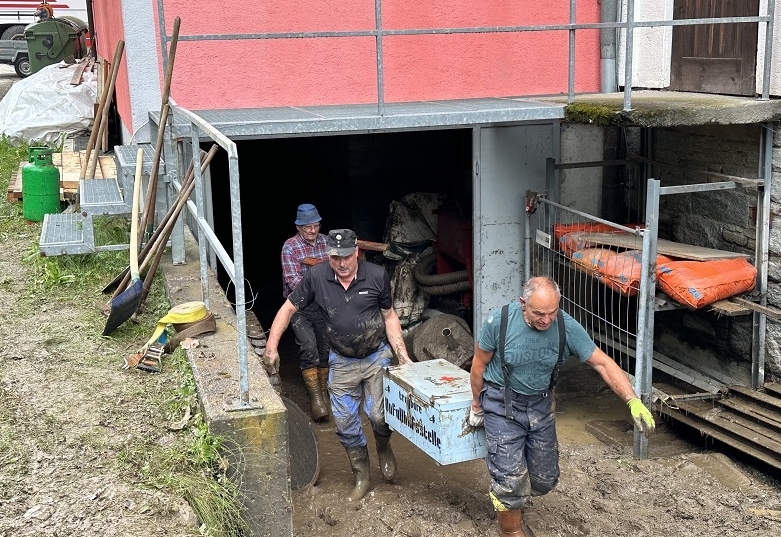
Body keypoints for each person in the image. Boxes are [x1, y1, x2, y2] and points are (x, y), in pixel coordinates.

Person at [468, 276, 655, 537]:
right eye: (538, 313)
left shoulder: (566, 327)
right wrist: (477, 405)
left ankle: (514, 494)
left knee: (544, 480)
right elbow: (478, 366)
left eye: (552, 312)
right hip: (502, 402)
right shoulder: (498, 323)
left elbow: (602, 363)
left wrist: (632, 400)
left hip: (540, 404)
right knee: (509, 483)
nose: (546, 320)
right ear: (523, 304)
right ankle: (510, 527)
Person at [265, 228, 414, 502]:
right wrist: (272, 346)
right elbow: (288, 309)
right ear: (328, 256)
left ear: (356, 252)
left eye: (346, 256)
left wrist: (402, 354)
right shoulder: (316, 277)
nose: (342, 264)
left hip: (375, 355)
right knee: (345, 423)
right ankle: (361, 476)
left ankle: (383, 446)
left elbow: (390, 316)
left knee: (379, 416)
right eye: (335, 258)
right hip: (342, 360)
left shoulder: (377, 276)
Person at [280, 203, 331, 421]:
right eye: (307, 227)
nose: (312, 231)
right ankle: (316, 399)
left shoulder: (328, 242)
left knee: (326, 347)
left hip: (324, 304)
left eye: (316, 226)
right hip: (300, 306)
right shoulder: (290, 247)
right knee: (309, 346)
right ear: (298, 227)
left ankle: (325, 394)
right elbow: (293, 282)